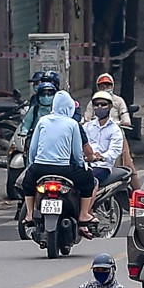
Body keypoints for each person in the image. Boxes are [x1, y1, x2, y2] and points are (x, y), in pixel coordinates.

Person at [21, 90, 97, 236]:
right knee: (88, 180)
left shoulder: (43, 120)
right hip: (64, 169)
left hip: (40, 168)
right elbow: (76, 152)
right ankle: (84, 214)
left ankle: (30, 214)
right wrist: (82, 165)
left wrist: (32, 166)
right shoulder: (73, 124)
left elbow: (33, 148)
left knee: (27, 184)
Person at [91, 73, 138, 188]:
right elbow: (87, 117)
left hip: (117, 133)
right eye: (102, 86)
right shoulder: (91, 105)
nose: (105, 88)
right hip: (95, 133)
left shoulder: (119, 100)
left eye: (108, 85)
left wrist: (124, 123)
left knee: (127, 163)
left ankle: (138, 193)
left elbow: (125, 115)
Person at [85, 91, 124, 186]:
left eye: (103, 104)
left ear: (110, 106)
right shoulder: (87, 126)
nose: (99, 107)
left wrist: (101, 156)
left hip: (102, 167)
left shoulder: (115, 129)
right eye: (96, 104)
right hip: (84, 165)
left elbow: (115, 150)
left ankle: (89, 201)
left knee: (89, 180)